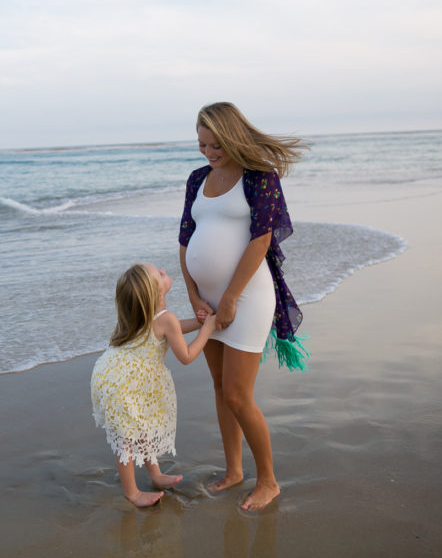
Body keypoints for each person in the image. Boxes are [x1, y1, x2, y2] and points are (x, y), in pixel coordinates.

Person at [178, 101, 307, 511]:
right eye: (202, 145)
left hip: (248, 297)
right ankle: (234, 471)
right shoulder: (197, 178)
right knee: (219, 388)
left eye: (216, 144)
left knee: (237, 394)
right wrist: (195, 296)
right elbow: (185, 240)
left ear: (233, 137)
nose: (209, 153)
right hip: (208, 299)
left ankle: (268, 480)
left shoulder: (259, 176)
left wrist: (230, 298)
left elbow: (261, 240)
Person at [91, 263, 217, 507]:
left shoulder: (140, 317)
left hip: (110, 376)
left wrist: (197, 322)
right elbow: (187, 356)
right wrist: (208, 329)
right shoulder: (165, 319)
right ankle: (132, 493)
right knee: (126, 438)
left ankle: (156, 475)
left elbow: (170, 329)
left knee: (141, 428)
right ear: (156, 293)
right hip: (122, 385)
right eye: (159, 273)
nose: (164, 270)